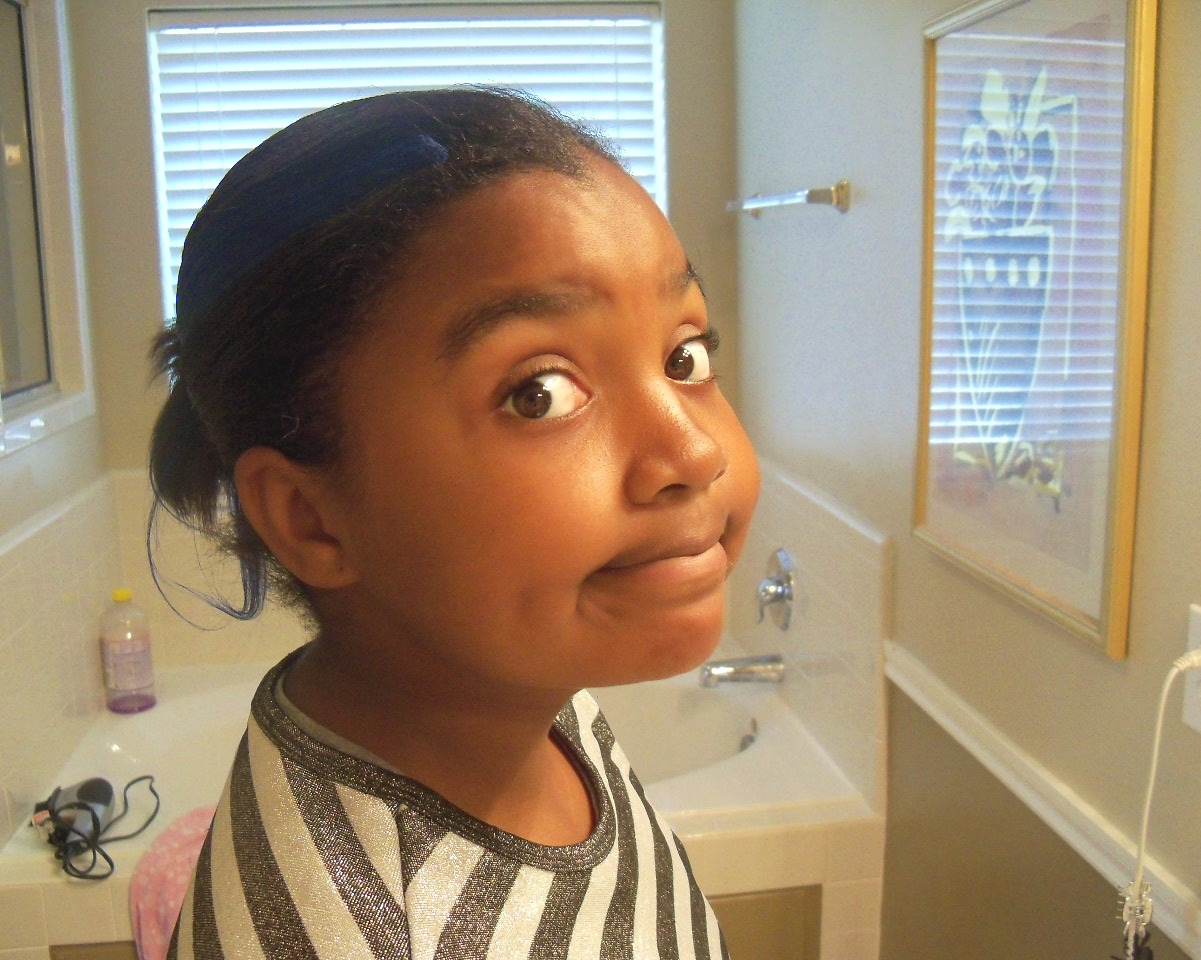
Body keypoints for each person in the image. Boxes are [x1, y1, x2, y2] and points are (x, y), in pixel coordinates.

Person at [148, 87, 760, 960]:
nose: (695, 452)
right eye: (538, 393)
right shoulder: (351, 934)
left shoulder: (524, 696)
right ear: (311, 517)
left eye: (683, 356)